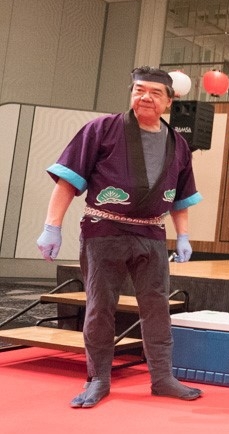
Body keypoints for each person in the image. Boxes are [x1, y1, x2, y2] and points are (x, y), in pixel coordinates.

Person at [36, 66, 204, 409]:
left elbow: (181, 198)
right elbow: (67, 182)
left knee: (157, 308)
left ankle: (162, 377)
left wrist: (183, 235)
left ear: (169, 102)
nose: (145, 97)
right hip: (104, 231)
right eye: (139, 90)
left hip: (152, 234)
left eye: (155, 93)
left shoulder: (179, 144)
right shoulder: (102, 129)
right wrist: (52, 225)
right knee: (100, 308)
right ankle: (98, 378)